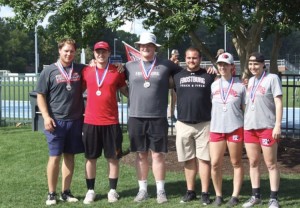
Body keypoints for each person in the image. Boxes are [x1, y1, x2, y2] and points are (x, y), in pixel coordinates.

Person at [124, 32, 181, 204]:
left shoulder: (167, 65)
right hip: (136, 117)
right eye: (142, 46)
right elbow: (117, 82)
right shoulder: (128, 66)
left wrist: (208, 70)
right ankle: (142, 190)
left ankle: (160, 191)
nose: (145, 48)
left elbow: (187, 76)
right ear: (139, 48)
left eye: (149, 45)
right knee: (141, 155)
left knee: (158, 155)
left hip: (157, 117)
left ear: (155, 48)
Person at [36, 38, 85, 206]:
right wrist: (46, 116)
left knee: (70, 156)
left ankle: (66, 192)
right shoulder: (49, 71)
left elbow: (98, 69)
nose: (69, 54)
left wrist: (119, 67)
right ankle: (51, 193)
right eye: (66, 50)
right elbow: (40, 95)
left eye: (71, 51)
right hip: (56, 121)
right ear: (59, 51)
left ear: (75, 52)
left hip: (75, 120)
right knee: (55, 157)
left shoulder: (80, 69)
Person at [81, 41, 128, 204]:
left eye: (104, 52)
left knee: (113, 158)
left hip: (111, 122)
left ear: (109, 53)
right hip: (91, 122)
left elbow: (125, 90)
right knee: (90, 158)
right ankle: (90, 190)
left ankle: (112, 190)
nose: (101, 54)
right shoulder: (86, 71)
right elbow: (76, 90)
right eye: (98, 52)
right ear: (94, 54)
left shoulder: (117, 71)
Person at [173, 47, 216, 205]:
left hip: (204, 124)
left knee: (204, 160)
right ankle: (190, 191)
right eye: (189, 58)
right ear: (185, 58)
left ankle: (205, 193)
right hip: (184, 123)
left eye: (195, 58)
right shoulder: (177, 75)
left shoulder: (209, 75)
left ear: (200, 59)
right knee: (188, 160)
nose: (192, 61)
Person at [242, 52, 283, 208]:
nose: (253, 67)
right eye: (251, 64)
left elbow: (278, 103)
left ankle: (273, 198)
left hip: (267, 127)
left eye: (256, 64)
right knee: (253, 162)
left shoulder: (272, 78)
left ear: (263, 64)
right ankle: (256, 196)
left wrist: (277, 125)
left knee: (271, 164)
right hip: (250, 127)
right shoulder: (251, 81)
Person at [209, 52, 246, 207]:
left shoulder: (241, 86)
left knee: (236, 162)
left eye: (226, 64)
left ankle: (235, 195)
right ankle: (218, 195)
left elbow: (245, 108)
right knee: (215, 163)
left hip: (235, 128)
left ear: (232, 66)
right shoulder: (213, 85)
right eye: (220, 64)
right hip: (216, 128)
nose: (223, 67)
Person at [168, 49, 180, 123]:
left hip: (175, 82)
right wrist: (174, 64)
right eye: (175, 55)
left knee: (174, 100)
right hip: (170, 83)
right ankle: (170, 115)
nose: (176, 57)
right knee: (172, 99)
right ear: (172, 55)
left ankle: (172, 115)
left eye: (177, 55)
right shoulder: (169, 62)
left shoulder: (177, 62)